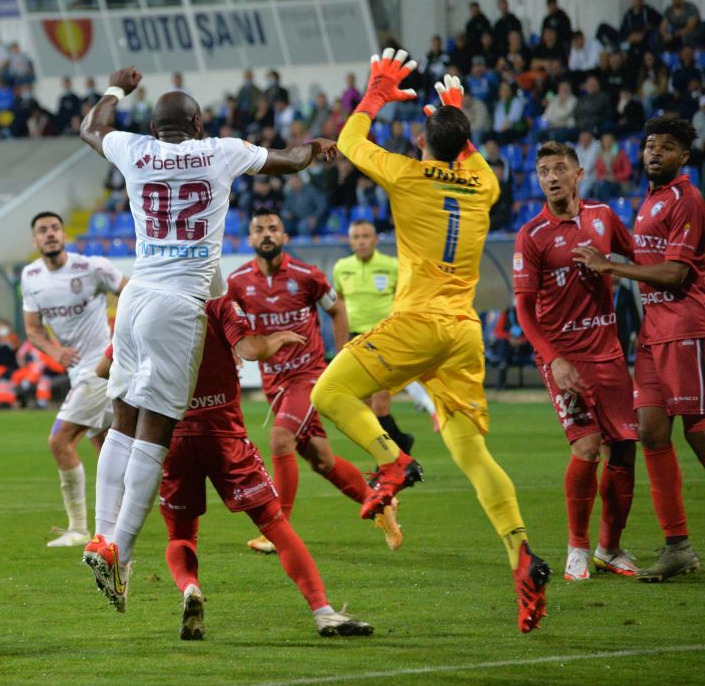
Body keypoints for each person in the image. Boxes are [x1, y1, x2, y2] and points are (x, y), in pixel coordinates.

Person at [77, 66, 336, 612]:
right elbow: (289, 161)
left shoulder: (133, 149)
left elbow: (91, 128)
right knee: (155, 431)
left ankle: (102, 535)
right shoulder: (220, 149)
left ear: (153, 126)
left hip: (134, 297)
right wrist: (315, 145)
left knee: (121, 419)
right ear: (197, 123)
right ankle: (119, 550)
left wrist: (115, 89)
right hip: (178, 303)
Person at [310, 58, 550, 633]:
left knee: (329, 392)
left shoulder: (407, 174)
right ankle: (521, 552)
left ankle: (391, 462)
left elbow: (348, 139)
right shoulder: (485, 185)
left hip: (418, 322)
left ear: (422, 143)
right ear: (467, 144)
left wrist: (375, 95)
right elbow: (467, 154)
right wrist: (456, 115)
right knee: (472, 453)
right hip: (463, 333)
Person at [96, 301, 373, 640]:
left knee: (181, 535)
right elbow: (250, 349)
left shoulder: (146, 305)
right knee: (276, 527)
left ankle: (190, 589)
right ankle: (323, 612)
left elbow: (103, 368)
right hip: (225, 437)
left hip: (174, 438)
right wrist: (274, 339)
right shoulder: (218, 304)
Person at [572, 115, 705, 581]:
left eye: (666, 147)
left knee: (698, 430)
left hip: (687, 326)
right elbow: (646, 257)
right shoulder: (649, 200)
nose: (655, 153)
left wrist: (611, 267)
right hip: (653, 332)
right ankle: (678, 546)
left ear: (683, 157)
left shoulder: (688, 199)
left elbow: (675, 274)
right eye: (650, 146)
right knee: (650, 432)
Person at [227, 211, 401, 554]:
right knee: (321, 460)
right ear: (249, 240)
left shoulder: (308, 276)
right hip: (273, 383)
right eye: (259, 229)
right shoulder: (238, 282)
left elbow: (337, 310)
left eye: (273, 228)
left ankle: (278, 530)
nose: (267, 234)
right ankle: (382, 504)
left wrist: (340, 359)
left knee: (279, 440)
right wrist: (233, 351)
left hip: (308, 377)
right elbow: (230, 324)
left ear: (285, 237)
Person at [512, 142, 640, 582]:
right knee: (587, 448)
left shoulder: (603, 215)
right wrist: (554, 360)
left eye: (559, 168)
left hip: (609, 353)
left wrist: (611, 268)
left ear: (578, 173)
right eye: (543, 170)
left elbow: (640, 260)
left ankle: (610, 547)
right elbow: (524, 311)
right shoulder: (532, 235)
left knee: (623, 447)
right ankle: (578, 548)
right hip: (564, 358)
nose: (551, 177)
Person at [22, 211, 127, 546]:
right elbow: (33, 330)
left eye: (55, 228)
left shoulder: (91, 267)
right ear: (35, 241)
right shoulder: (31, 276)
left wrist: (120, 342)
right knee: (109, 448)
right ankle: (121, 523)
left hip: (99, 370)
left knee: (60, 441)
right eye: (43, 230)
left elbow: (130, 293)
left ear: (64, 234)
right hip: (77, 371)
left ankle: (79, 528)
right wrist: (55, 352)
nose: (50, 234)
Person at [332, 220, 436, 438]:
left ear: (375, 239)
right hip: (356, 340)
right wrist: (341, 344)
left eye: (366, 236)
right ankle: (399, 445)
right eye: (356, 237)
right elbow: (338, 306)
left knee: (381, 402)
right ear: (350, 241)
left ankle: (393, 458)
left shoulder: (391, 266)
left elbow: (406, 300)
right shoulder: (341, 268)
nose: (361, 242)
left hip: (385, 339)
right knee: (365, 406)